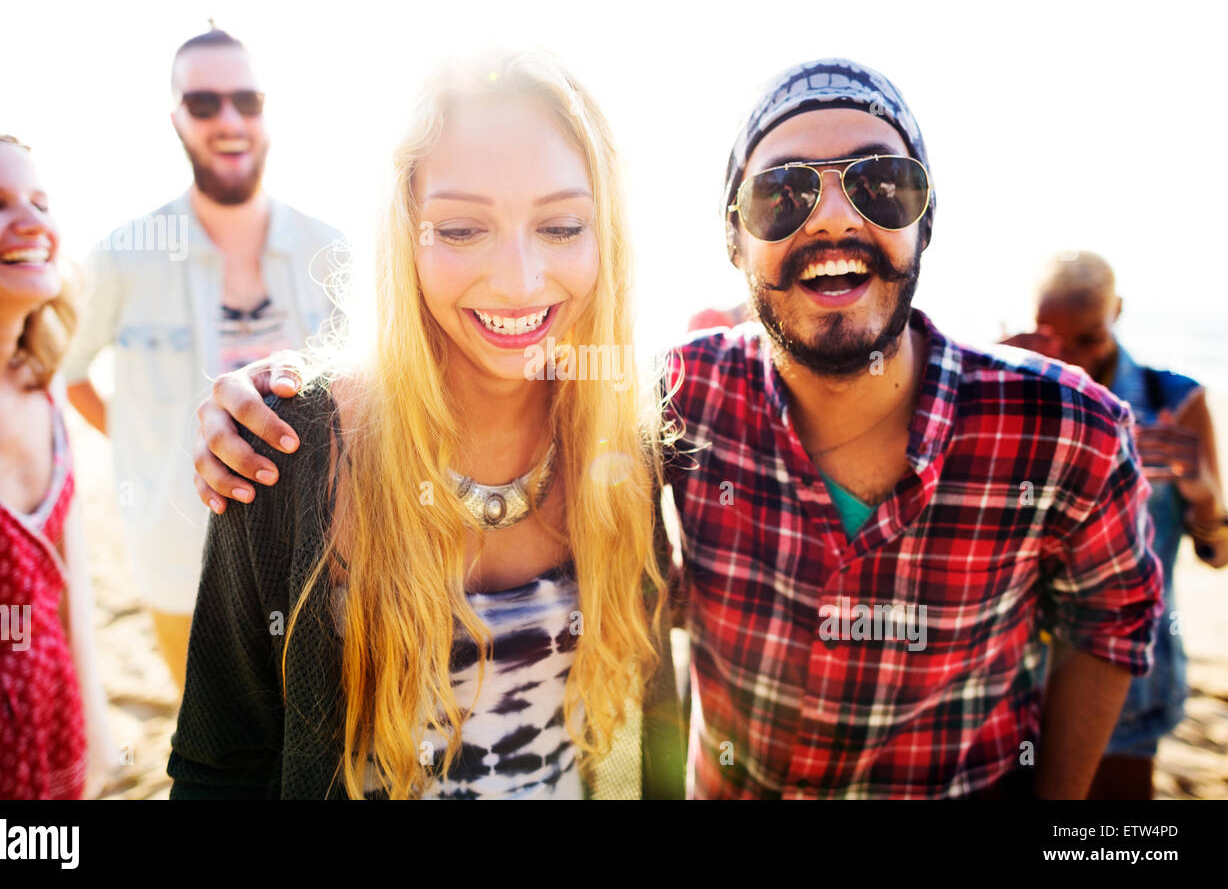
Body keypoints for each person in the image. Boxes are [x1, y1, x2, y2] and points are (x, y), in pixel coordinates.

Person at [194, 58, 1161, 799]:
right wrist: (273, 396)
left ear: (927, 220)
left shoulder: (1067, 426)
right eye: (783, 193)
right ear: (733, 239)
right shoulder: (680, 404)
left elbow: (1114, 624)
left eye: (882, 184)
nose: (834, 219)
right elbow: (221, 758)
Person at [167, 49, 685, 799]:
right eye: (464, 228)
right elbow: (219, 765)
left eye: (563, 226)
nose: (519, 278)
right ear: (403, 234)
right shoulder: (284, 448)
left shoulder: (623, 435)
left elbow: (655, 726)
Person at [62, 26, 346, 690]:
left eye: (247, 100)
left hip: (322, 555)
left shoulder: (331, 250)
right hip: (175, 553)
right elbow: (69, 371)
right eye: (205, 103)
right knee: (210, 746)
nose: (228, 120)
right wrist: (149, 445)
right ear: (176, 119)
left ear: (268, 110)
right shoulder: (122, 256)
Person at [0, 118, 114, 798]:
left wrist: (94, 729)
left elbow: (66, 587)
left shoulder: (44, 392)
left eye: (40, 202)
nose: (31, 222)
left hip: (49, 725)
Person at [1002, 250, 1227, 798]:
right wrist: (995, 380)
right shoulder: (1005, 386)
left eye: (1089, 337)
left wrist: (1203, 493)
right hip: (1011, 673)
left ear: (1118, 312)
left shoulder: (1172, 400)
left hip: (1129, 673)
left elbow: (1218, 553)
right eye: (1053, 335)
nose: (1073, 356)